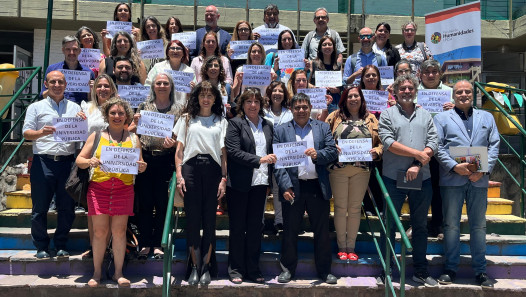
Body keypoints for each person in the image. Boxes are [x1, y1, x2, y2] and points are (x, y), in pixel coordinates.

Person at [434, 80, 500, 288]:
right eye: (459, 92)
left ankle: (480, 270)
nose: (463, 94)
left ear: (473, 94)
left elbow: (495, 144)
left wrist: (484, 170)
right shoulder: (442, 118)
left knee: (479, 226)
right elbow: (437, 146)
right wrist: (454, 167)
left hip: (479, 179)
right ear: (453, 96)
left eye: (467, 91)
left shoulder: (487, 117)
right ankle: (451, 268)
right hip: (452, 178)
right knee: (451, 225)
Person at [76, 97, 146, 287]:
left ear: (127, 116)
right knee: (99, 231)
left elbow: (140, 165)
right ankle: (97, 273)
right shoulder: (97, 136)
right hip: (99, 189)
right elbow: (79, 160)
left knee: (120, 231)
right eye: (113, 113)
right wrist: (89, 161)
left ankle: (118, 272)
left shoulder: (133, 138)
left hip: (124, 189)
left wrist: (142, 167)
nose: (117, 116)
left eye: (121, 113)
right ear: (107, 115)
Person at [377, 74, 438, 287]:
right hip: (393, 178)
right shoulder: (387, 114)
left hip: (421, 177)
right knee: (389, 225)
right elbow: (388, 142)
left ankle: (420, 270)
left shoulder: (426, 115)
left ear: (415, 90)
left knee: (420, 226)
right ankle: (386, 270)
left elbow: (433, 142)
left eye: (410, 88)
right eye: (402, 88)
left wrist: (418, 163)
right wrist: (417, 154)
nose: (406, 91)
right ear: (395, 92)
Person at [274, 93, 338, 284]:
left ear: (310, 108)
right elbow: (278, 164)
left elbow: (332, 151)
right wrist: (284, 186)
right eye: (297, 107)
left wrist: (317, 155)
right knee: (290, 231)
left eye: (304, 107)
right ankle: (287, 269)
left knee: (322, 232)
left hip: (318, 186)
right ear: (291, 110)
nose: (301, 110)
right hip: (293, 187)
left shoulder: (323, 127)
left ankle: (325, 271)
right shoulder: (281, 130)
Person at [23, 71, 82, 259]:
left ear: (66, 85)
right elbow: (26, 133)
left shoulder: (75, 108)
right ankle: (41, 246)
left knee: (67, 207)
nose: (57, 85)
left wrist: (83, 122)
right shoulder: (35, 107)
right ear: (46, 85)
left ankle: (61, 243)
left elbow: (81, 134)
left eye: (60, 82)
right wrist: (41, 132)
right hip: (43, 162)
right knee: (39, 207)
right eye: (52, 82)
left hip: (66, 163)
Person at [173, 81, 228, 285]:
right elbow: (179, 151)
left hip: (213, 171)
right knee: (193, 221)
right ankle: (194, 267)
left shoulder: (221, 121)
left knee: (210, 222)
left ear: (215, 99)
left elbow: (223, 155)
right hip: (191, 170)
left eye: (210, 96)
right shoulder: (187, 119)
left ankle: (206, 267)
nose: (206, 99)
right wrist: (179, 175)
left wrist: (223, 179)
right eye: (202, 95)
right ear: (196, 98)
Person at [325, 85, 382, 261]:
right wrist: (331, 146)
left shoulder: (371, 118)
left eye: (356, 96)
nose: (353, 99)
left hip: (362, 170)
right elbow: (323, 137)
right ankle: (342, 246)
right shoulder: (334, 116)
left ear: (361, 98)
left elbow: (381, 143)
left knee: (355, 209)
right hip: (338, 170)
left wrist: (377, 152)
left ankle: (352, 246)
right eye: (349, 96)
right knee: (341, 208)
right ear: (344, 99)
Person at [225, 88, 275, 284]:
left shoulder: (268, 125)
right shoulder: (235, 124)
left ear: (261, 104)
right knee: (238, 228)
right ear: (242, 104)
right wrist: (260, 160)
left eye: (256, 102)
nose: (253, 105)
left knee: (255, 228)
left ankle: (253, 269)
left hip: (260, 184)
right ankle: (236, 269)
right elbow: (233, 152)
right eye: (248, 102)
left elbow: (274, 150)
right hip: (239, 184)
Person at [129, 73, 178, 260]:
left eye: (166, 83)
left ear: (171, 87)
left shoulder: (178, 109)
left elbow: (181, 136)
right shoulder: (143, 107)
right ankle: (145, 243)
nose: (162, 86)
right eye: (159, 83)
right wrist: (134, 123)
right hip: (146, 160)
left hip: (166, 160)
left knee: (163, 203)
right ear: (153, 86)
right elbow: (133, 134)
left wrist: (173, 143)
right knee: (145, 204)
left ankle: (158, 244)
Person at [417, 59, 454, 239]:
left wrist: (456, 108)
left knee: (440, 188)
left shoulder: (450, 93)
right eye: (427, 72)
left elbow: (464, 114)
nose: (430, 75)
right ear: (421, 74)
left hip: (443, 148)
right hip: (419, 147)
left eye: (434, 71)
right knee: (418, 188)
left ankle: (438, 224)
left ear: (440, 74)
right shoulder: (414, 92)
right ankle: (418, 225)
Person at [262, 81, 293, 234]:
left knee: (279, 187)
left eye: (281, 91)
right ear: (269, 93)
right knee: (262, 188)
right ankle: (259, 221)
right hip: (264, 154)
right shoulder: (262, 111)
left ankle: (279, 221)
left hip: (283, 157)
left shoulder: (289, 112)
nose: (277, 93)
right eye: (274, 90)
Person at [41, 35, 95, 104]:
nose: (71, 52)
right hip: (57, 109)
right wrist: (54, 88)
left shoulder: (89, 73)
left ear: (79, 50)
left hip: (80, 111)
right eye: (68, 49)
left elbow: (92, 101)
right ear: (63, 50)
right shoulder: (52, 70)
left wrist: (91, 90)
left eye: (75, 49)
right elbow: (43, 96)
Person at [309, 36, 342, 114]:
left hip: (334, 101)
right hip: (318, 99)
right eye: (324, 44)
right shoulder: (313, 63)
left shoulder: (338, 65)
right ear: (320, 48)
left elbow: (341, 86)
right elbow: (306, 82)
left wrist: (337, 90)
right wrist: (316, 87)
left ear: (334, 48)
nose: (327, 46)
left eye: (330, 44)